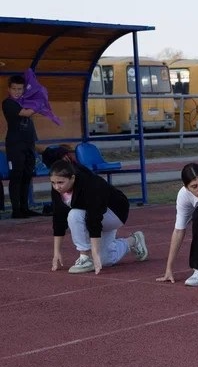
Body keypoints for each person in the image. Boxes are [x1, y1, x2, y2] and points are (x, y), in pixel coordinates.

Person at [48, 160, 148, 274]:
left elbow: (94, 219)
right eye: (53, 183)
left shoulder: (90, 184)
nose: (57, 187)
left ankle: (85, 257)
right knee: (105, 260)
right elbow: (58, 219)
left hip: (115, 213)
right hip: (94, 215)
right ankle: (133, 241)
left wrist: (94, 253)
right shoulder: (58, 188)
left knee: (74, 214)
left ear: (72, 178)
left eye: (60, 182)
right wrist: (57, 252)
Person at [2, 74, 41, 218]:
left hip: (28, 144)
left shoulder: (25, 100)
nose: (17, 92)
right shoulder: (8, 103)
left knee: (27, 175)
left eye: (20, 89)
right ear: (9, 89)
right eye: (14, 89)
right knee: (16, 176)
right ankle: (16, 210)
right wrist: (39, 103)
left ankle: (25, 207)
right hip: (15, 145)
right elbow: (26, 112)